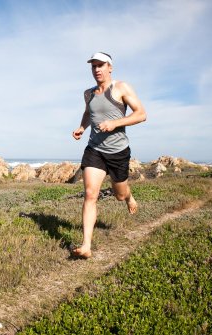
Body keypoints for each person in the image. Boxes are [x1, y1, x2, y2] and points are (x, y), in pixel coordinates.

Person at [71, 52, 147, 259]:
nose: (97, 69)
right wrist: (82, 127)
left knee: (119, 194)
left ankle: (129, 198)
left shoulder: (121, 87)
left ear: (110, 67)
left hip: (118, 151)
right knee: (90, 194)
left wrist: (115, 123)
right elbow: (89, 113)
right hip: (95, 149)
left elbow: (141, 114)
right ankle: (86, 245)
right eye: (93, 66)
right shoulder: (88, 93)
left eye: (100, 65)